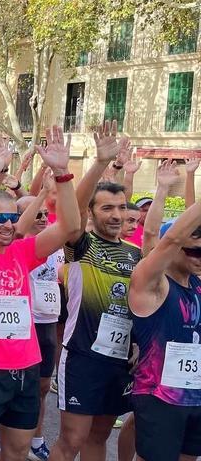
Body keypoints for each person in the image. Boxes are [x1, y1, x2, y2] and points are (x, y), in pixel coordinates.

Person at [0, 128, 81, 461]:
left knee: (18, 451)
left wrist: (63, 175)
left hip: (26, 367)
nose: (9, 225)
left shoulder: (23, 252)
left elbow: (69, 228)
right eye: (0, 218)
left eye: (13, 218)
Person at [49, 121, 142, 461]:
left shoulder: (135, 255)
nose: (117, 215)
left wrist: (138, 344)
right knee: (72, 439)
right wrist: (101, 162)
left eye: (121, 208)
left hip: (119, 361)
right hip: (83, 357)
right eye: (107, 208)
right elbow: (71, 212)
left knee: (99, 437)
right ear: (91, 213)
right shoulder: (82, 245)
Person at [128, 199, 201, 461]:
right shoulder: (152, 285)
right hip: (160, 397)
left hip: (194, 393)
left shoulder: (196, 284)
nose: (199, 258)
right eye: (194, 251)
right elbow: (168, 239)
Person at [14, 182, 65, 461]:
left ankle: (36, 440)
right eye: (38, 215)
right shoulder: (18, 245)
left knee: (43, 389)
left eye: (46, 214)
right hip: (24, 323)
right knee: (20, 389)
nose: (44, 219)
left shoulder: (55, 244)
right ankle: (9, 443)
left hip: (49, 322)